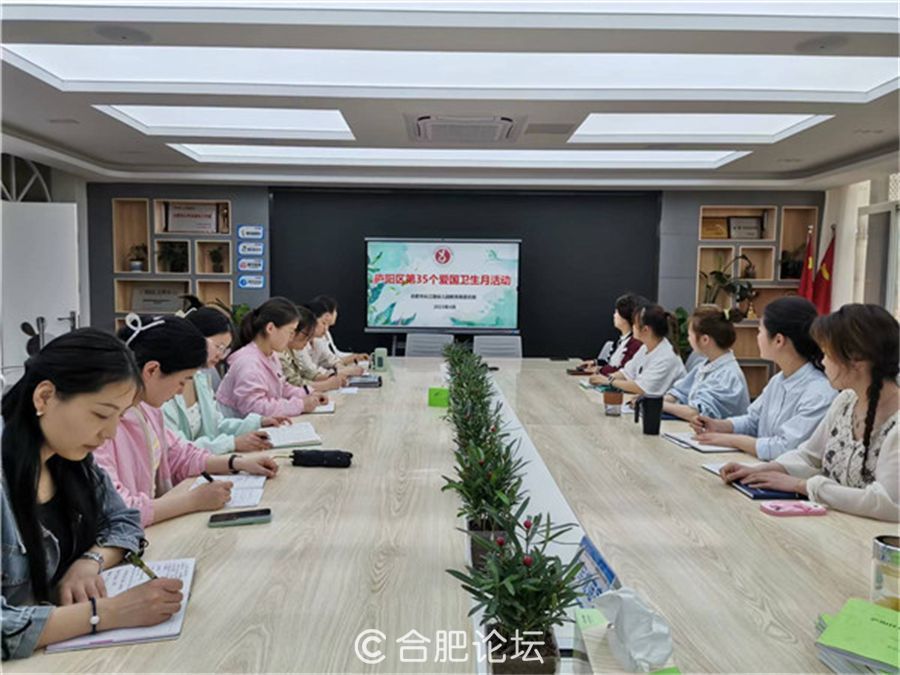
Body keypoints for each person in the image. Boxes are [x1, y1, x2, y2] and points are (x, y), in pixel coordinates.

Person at [2, 329, 183, 660]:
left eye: (119, 417)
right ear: (44, 397)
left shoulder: (73, 460)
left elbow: (124, 520)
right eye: (101, 414)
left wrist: (91, 560)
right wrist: (110, 613)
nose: (110, 433)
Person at [94, 315, 278, 527]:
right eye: (181, 381)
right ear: (152, 370)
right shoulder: (103, 428)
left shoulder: (147, 409)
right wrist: (192, 501)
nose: (181, 391)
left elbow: (179, 454)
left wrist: (236, 463)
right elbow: (118, 508)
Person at [721, 304, 899, 522]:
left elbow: (888, 502)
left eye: (827, 354)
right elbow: (809, 455)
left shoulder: (895, 422)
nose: (822, 361)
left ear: (856, 360)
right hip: (832, 527)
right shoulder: (846, 401)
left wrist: (803, 486)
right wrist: (762, 470)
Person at [689, 297, 836, 458]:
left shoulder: (819, 392)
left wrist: (730, 440)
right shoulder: (778, 380)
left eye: (760, 331)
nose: (757, 337)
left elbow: (784, 447)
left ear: (778, 340)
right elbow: (752, 421)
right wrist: (719, 425)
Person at [162, 306, 290, 455]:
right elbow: (176, 449)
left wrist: (258, 422)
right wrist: (231, 444)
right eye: (218, 346)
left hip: (203, 462)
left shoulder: (199, 378)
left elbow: (216, 424)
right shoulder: (164, 386)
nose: (220, 355)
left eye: (225, 349)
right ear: (193, 339)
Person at [216, 297, 328, 418]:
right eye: (290, 331)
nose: (292, 337)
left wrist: (308, 393)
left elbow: (281, 387)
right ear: (270, 328)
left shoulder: (270, 355)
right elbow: (253, 408)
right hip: (240, 426)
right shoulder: (248, 362)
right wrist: (300, 405)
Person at [662, 305, 750, 422]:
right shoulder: (704, 365)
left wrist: (659, 404)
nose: (688, 339)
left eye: (690, 335)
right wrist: (664, 399)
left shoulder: (728, 376)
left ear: (704, 340)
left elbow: (697, 413)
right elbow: (680, 392)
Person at [591, 303, 686, 397]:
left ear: (645, 330)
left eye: (635, 324)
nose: (632, 327)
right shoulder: (645, 348)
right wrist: (608, 377)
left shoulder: (666, 357)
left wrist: (609, 381)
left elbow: (641, 388)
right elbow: (626, 372)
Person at [280, 305, 347, 392]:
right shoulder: (279, 353)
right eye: (306, 335)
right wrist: (327, 384)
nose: (307, 340)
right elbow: (294, 382)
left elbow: (306, 372)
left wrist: (330, 378)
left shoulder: (292, 349)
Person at [585, 293, 645, 382]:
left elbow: (623, 370)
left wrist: (600, 370)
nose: (614, 315)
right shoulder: (622, 340)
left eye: (616, 312)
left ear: (625, 317)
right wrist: (596, 363)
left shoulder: (635, 343)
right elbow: (612, 363)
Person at [304, 300, 364, 379]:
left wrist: (340, 367)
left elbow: (331, 358)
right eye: (323, 323)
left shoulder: (317, 340)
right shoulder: (299, 344)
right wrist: (338, 372)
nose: (326, 329)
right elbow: (309, 370)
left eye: (328, 325)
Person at [313, 295, 368, 364]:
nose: (336, 313)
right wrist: (353, 358)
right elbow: (330, 361)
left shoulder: (326, 333)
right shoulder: (317, 337)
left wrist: (355, 356)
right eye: (335, 310)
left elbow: (335, 353)